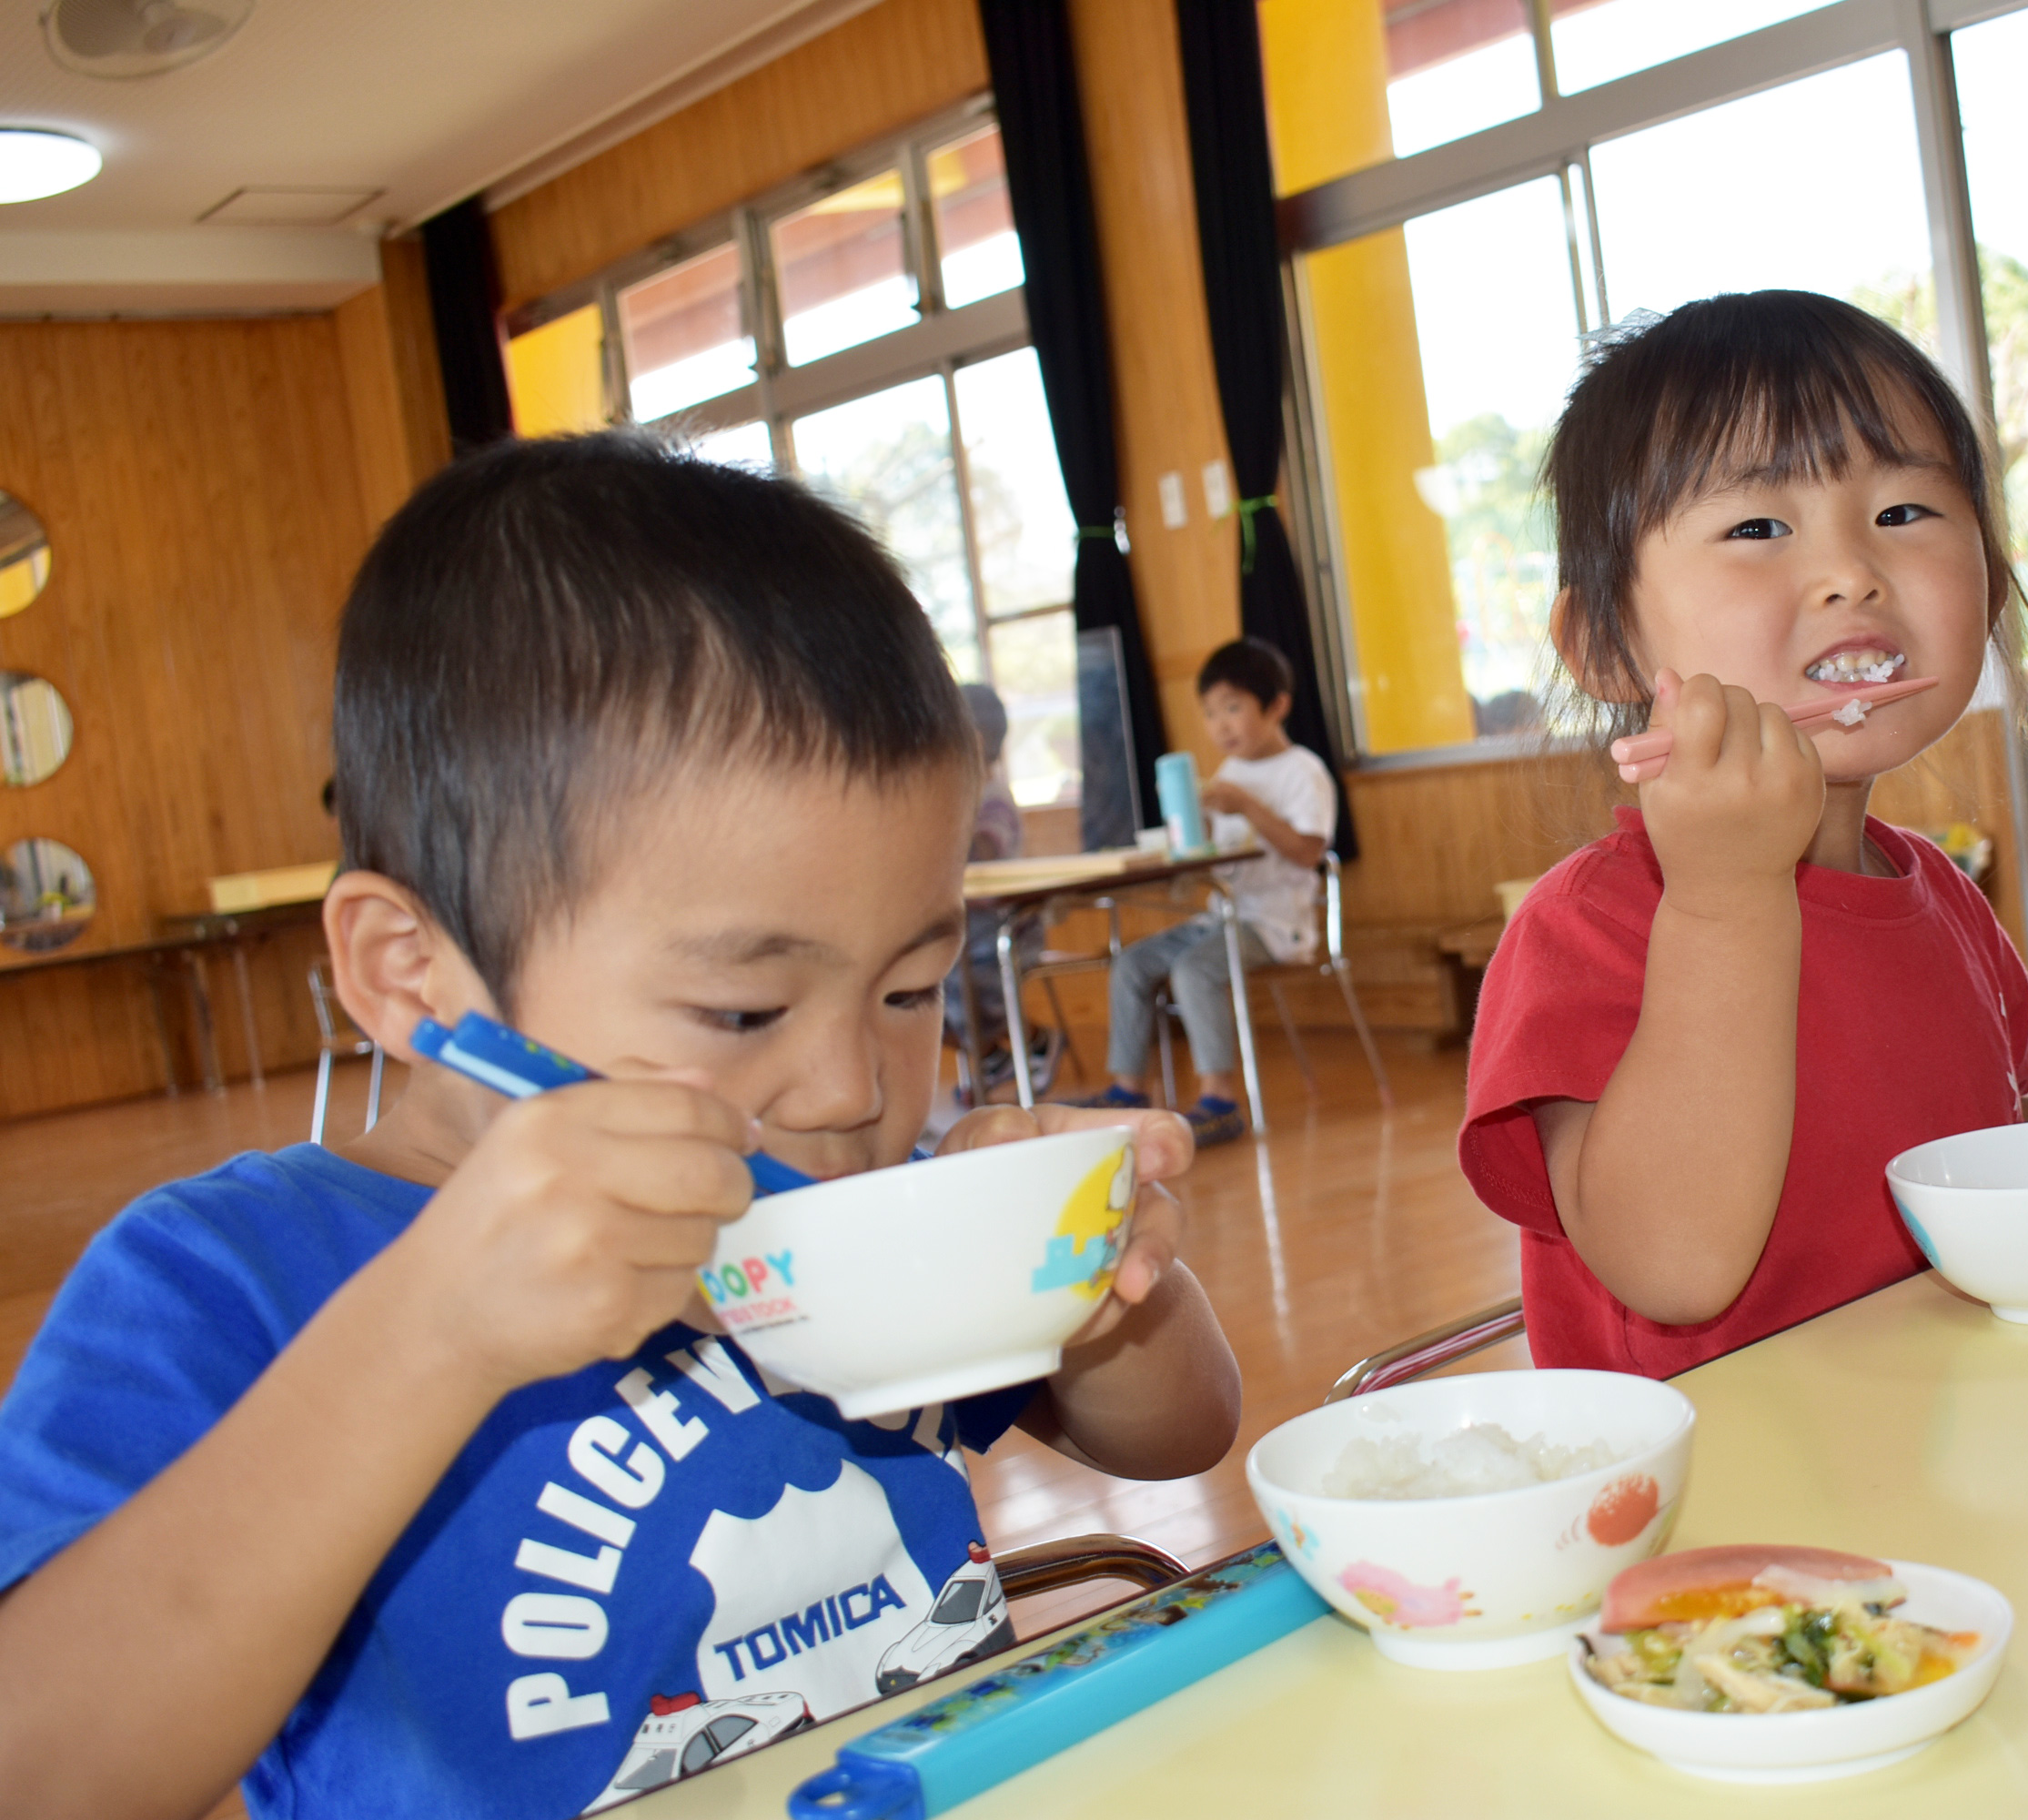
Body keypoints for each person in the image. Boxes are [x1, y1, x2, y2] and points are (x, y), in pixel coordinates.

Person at [0, 435, 1241, 1819]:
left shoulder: (851, 1198)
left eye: (908, 985)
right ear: (413, 974)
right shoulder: (227, 1280)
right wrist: (427, 1334)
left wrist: (1108, 1276)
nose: (850, 1087)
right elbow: (45, 1766)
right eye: (740, 1009)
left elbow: (1180, 1432)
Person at [1458, 291, 2028, 1378]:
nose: (1849, 572)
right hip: (1731, 1517)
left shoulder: (1946, 899)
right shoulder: (1593, 926)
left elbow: (1963, 1168)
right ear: (1602, 639)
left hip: (1954, 1456)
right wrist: (1724, 896)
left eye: (1905, 513)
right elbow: (1673, 1266)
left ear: (1992, 583)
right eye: (1757, 528)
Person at [1070, 638, 1334, 1148]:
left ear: (1276, 706)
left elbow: (1308, 852)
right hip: (1222, 917)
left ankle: (1219, 1098)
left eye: (1234, 708)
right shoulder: (1229, 775)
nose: (1221, 725)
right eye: (1211, 713)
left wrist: (1248, 807)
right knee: (1131, 963)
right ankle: (1128, 1089)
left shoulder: (1304, 771)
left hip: (1278, 924)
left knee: (1196, 968)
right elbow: (1215, 853)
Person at [943, 682, 1056, 1100]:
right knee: (924, 984)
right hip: (967, 928)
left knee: (966, 984)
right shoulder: (955, 793)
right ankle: (994, 1059)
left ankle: (1031, 1043)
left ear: (975, 739)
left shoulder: (993, 798)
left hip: (1008, 926)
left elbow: (981, 849)